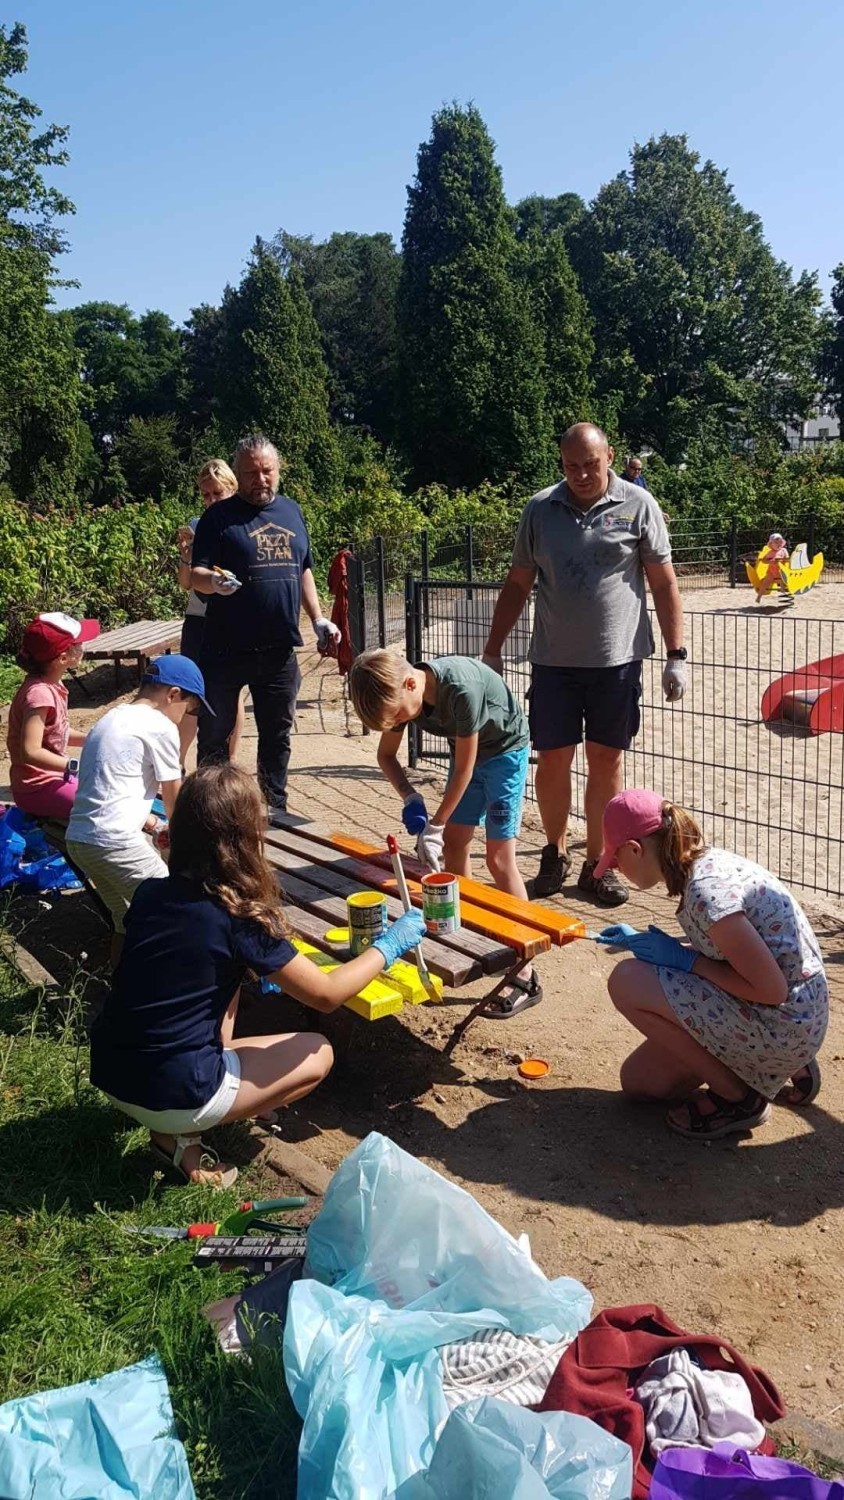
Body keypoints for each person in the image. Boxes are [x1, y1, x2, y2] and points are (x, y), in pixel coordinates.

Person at [89, 762, 426, 1188]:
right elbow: (325, 994)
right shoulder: (238, 916)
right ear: (245, 839)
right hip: (174, 1092)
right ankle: (188, 1126)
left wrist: (244, 969)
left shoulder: (151, 892)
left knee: (219, 1003)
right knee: (318, 1051)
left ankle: (180, 1129)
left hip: (112, 1072)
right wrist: (390, 945)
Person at [483, 422, 686, 908]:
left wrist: (676, 655)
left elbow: (662, 582)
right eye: (571, 466)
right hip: (553, 662)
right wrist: (492, 650)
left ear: (609, 456)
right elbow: (516, 585)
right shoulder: (540, 509)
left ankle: (599, 864)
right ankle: (554, 852)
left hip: (615, 663)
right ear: (561, 464)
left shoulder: (639, 505)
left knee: (606, 762)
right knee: (553, 760)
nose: (581, 474)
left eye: (590, 465)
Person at [593, 789, 828, 1140]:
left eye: (615, 859)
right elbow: (736, 953)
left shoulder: (705, 894)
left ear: (635, 849)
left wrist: (684, 959)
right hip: (800, 1012)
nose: (614, 868)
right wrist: (670, 949)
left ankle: (740, 1099)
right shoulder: (706, 864)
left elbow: (770, 988)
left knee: (626, 980)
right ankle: (786, 1065)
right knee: (641, 1082)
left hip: (783, 1021)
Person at [349, 648, 541, 1018]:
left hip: (503, 753)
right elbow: (385, 756)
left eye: (401, 716)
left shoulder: (461, 690)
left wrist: (434, 825)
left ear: (410, 684)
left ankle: (526, 971)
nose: (402, 722)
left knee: (500, 859)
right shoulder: (403, 696)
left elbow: (464, 771)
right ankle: (469, 934)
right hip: (468, 757)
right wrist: (410, 796)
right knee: (455, 849)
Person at [188, 434, 341, 821]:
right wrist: (215, 584)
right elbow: (196, 573)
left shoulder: (292, 511)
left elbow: (303, 567)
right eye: (252, 472)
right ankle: (214, 817)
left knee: (277, 739)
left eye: (267, 470)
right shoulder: (217, 518)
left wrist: (319, 617)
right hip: (224, 651)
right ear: (238, 475)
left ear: (278, 470)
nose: (261, 479)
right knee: (214, 740)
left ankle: (276, 812)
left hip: (278, 651)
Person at [67, 655, 210, 962]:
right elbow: (173, 795)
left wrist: (152, 825)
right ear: (173, 695)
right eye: (191, 707)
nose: (188, 716)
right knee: (178, 912)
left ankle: (120, 987)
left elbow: (109, 790)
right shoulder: (159, 725)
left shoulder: (109, 719)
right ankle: (178, 996)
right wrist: (185, 845)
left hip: (80, 838)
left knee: (125, 919)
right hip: (114, 841)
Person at [176, 458, 246, 769]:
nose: (212, 500)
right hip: (198, 621)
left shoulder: (243, 526)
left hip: (232, 619)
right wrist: (186, 558)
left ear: (232, 489)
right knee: (192, 693)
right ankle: (175, 766)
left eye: (218, 493)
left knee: (233, 693)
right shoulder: (196, 525)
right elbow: (185, 584)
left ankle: (230, 762)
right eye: (206, 494)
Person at [6, 613, 100, 821]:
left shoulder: (53, 685)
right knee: (105, 807)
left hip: (55, 779)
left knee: (107, 789)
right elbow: (30, 750)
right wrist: (73, 765)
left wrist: (93, 739)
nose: (83, 645)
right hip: (37, 788)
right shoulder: (39, 694)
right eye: (78, 642)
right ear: (63, 658)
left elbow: (57, 733)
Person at [754, 532, 793, 606]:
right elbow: (763, 560)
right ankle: (759, 596)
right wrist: (770, 561)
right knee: (765, 583)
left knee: (783, 579)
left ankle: (782, 590)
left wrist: (783, 560)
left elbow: (788, 559)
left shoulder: (783, 551)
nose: (778, 544)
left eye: (780, 543)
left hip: (781, 571)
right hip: (771, 572)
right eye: (776, 543)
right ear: (771, 544)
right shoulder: (770, 552)